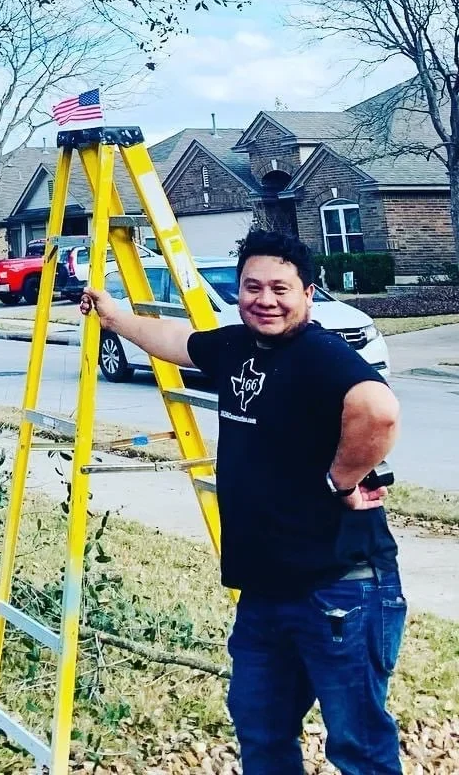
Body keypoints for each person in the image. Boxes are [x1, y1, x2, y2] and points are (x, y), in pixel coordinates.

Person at [81, 228, 404, 775]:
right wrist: (114, 318)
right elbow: (177, 339)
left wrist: (341, 483)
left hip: (339, 589)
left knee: (358, 745)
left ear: (307, 292)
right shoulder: (235, 346)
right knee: (261, 730)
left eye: (280, 288)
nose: (264, 299)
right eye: (252, 286)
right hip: (265, 590)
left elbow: (378, 410)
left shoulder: (319, 354)